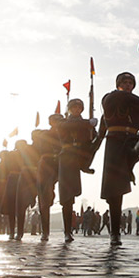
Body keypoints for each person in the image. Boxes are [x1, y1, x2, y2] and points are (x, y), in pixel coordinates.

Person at [92, 71, 139, 246]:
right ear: (118, 84)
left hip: (132, 142)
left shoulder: (138, 105)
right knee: (115, 194)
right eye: (124, 82)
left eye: (130, 83)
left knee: (138, 153)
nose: (127, 85)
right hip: (115, 144)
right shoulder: (111, 99)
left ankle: (130, 167)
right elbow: (100, 135)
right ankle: (115, 233)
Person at [55, 99, 97, 242]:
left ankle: (85, 166)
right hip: (66, 158)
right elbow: (69, 125)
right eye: (74, 107)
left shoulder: (85, 123)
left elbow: (93, 139)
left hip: (78, 158)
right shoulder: (64, 122)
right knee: (66, 198)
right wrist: (88, 123)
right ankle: (67, 231)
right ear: (69, 109)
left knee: (72, 194)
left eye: (79, 108)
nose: (76, 110)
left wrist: (93, 129)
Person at [32, 114, 63, 241]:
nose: (58, 123)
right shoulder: (44, 134)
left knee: (65, 195)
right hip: (46, 164)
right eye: (56, 121)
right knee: (44, 198)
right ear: (51, 122)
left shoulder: (64, 134)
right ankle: (45, 231)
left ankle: (66, 231)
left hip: (61, 163)